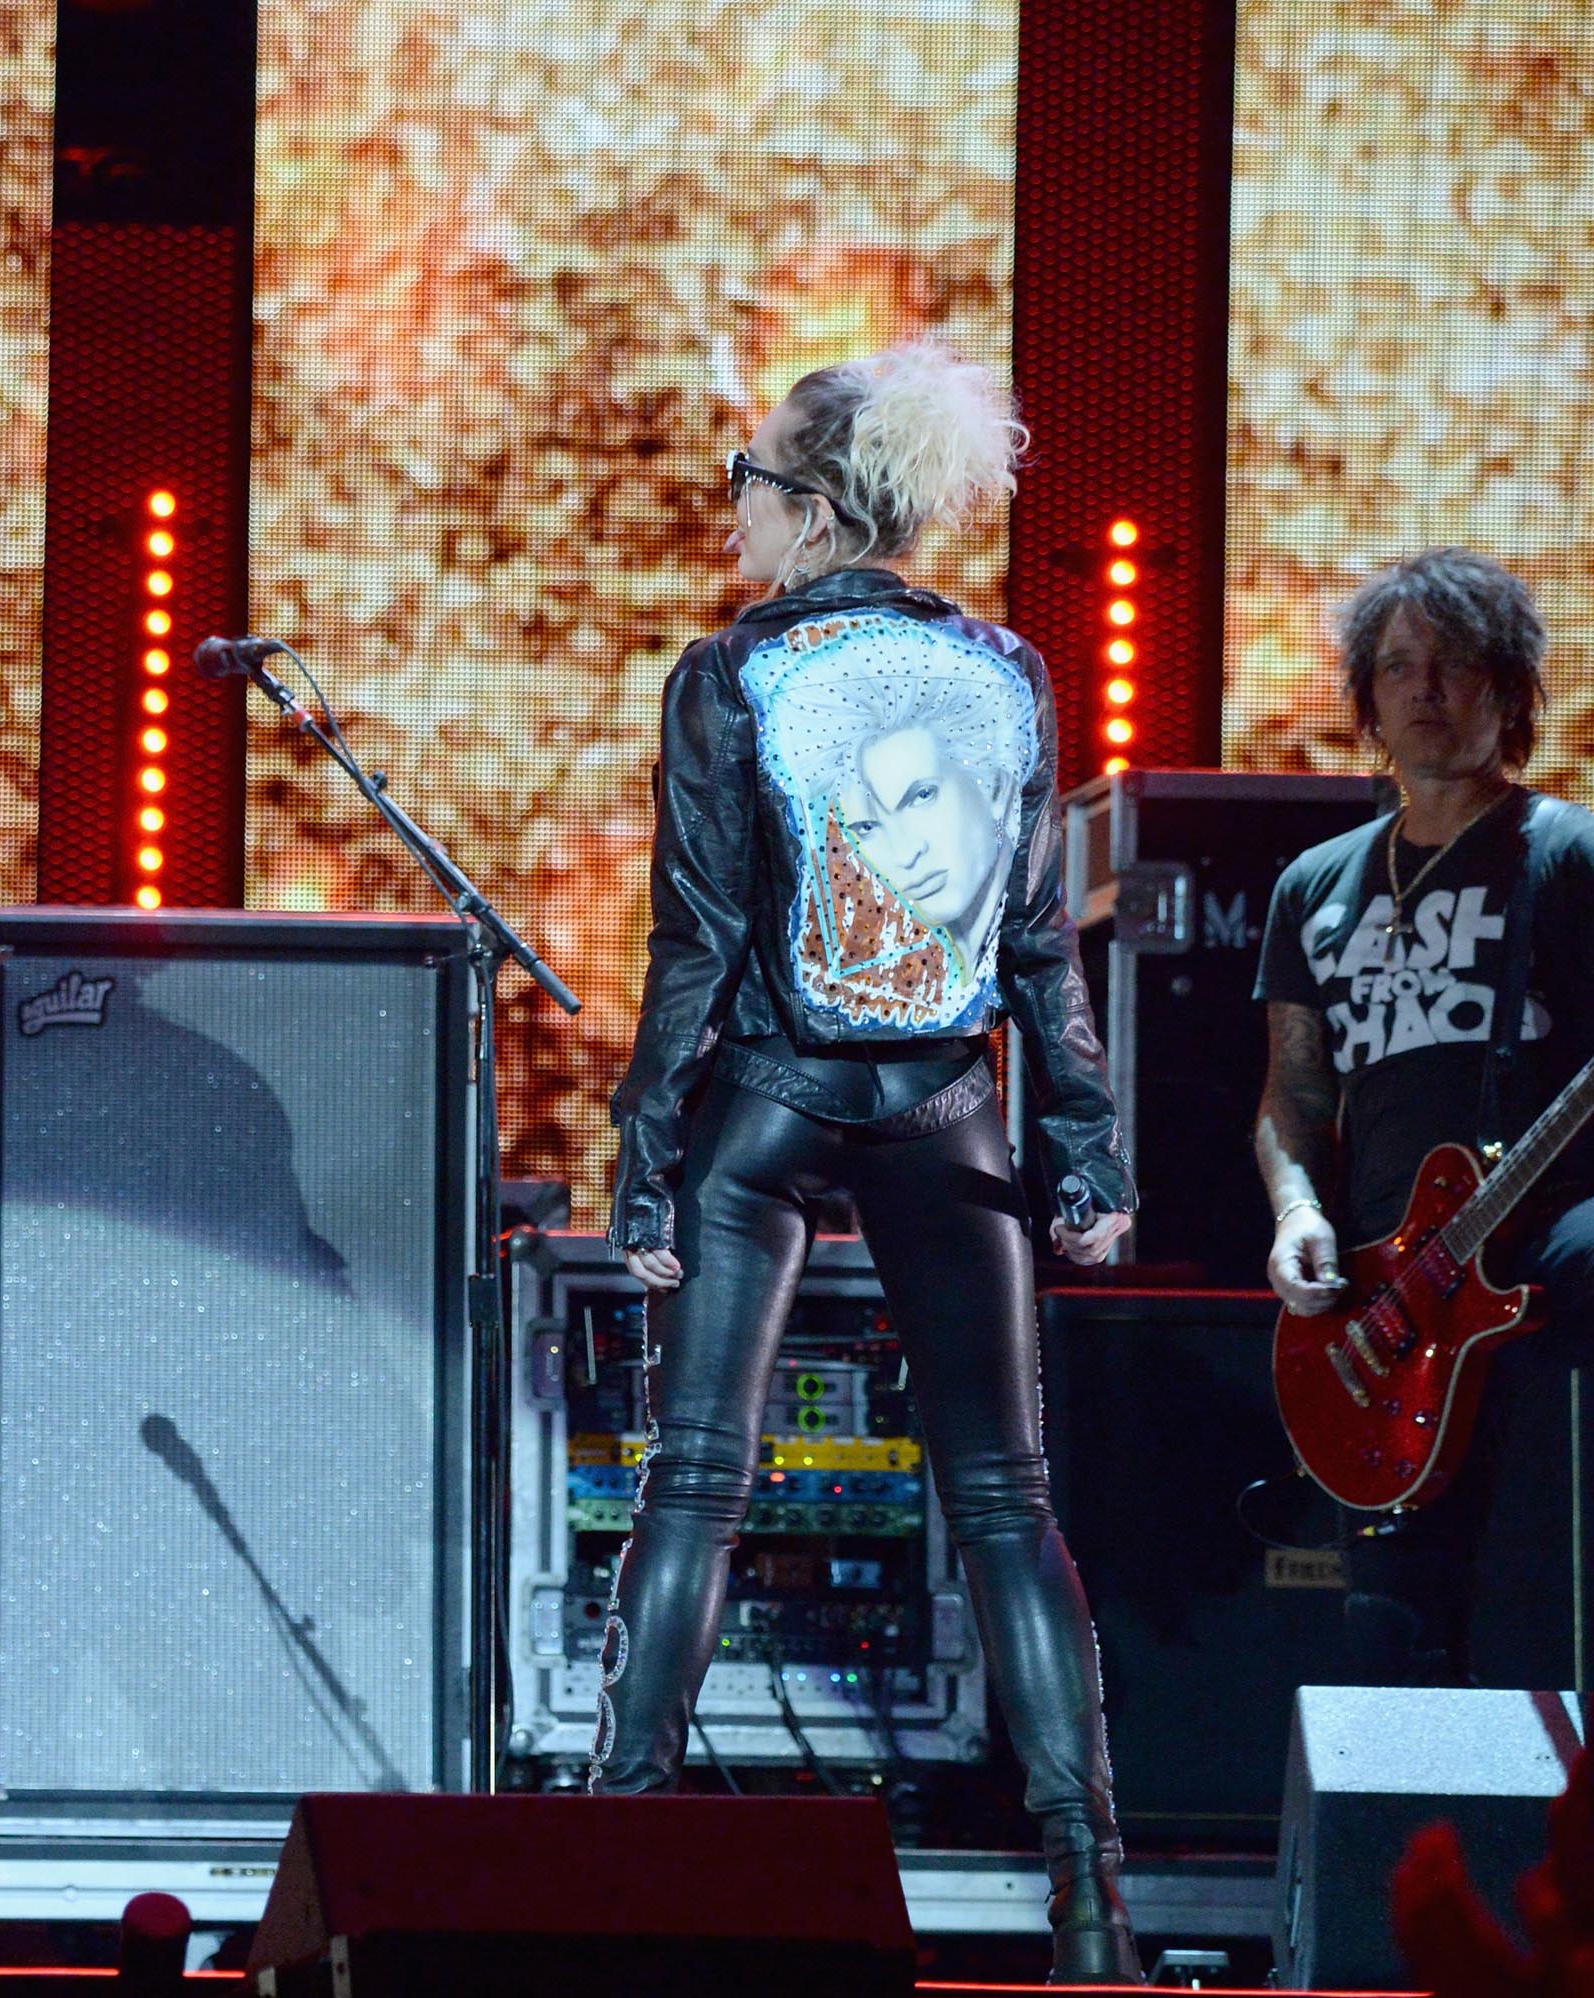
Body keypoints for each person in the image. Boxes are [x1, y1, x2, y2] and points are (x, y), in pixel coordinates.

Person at [602, 341, 1142, 1981]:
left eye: (752, 485)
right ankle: (1095, 1904)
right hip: (945, 1108)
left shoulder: (730, 671)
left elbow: (693, 943)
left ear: (823, 510)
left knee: (697, 1476)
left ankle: (612, 1857)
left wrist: (643, 1164)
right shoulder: (1008, 672)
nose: (737, 514)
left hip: (767, 1102)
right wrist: (1083, 1152)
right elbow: (1041, 947)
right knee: (1007, 1500)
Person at [1254, 548, 1594, 1687]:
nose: (1426, 690)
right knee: (1393, 1632)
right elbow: (1296, 1092)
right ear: (1367, 699)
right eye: (1399, 667)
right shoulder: (1316, 884)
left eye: (1454, 665)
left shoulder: (1568, 855)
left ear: (1509, 690)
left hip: (1541, 1257)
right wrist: (1296, 1209)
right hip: (1389, 1301)